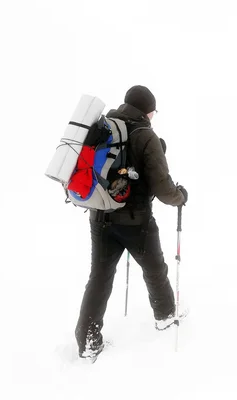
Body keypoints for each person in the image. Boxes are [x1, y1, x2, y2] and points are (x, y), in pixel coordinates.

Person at [74, 85, 188, 359]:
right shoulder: (146, 135)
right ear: (148, 111)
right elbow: (162, 188)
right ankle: (165, 314)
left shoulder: (104, 128)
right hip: (136, 222)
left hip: (100, 217)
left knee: (99, 278)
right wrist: (180, 197)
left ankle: (88, 339)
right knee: (155, 269)